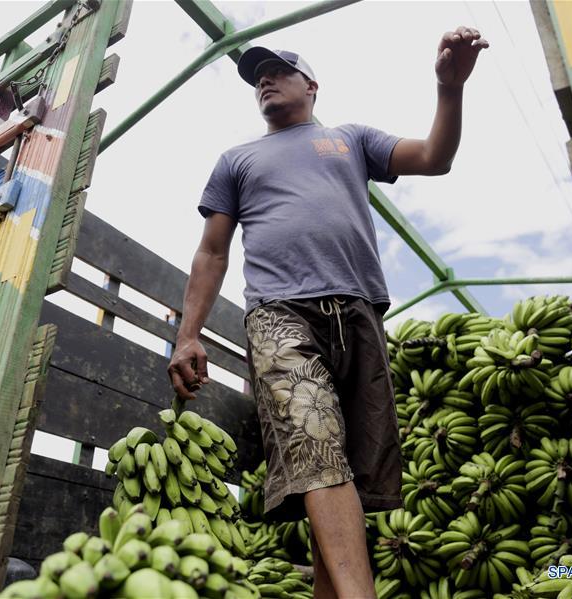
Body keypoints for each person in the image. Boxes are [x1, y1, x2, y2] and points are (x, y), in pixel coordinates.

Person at [168, 27, 489, 599]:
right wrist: (187, 334)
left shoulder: (350, 139)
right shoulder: (236, 160)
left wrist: (450, 87)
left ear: (311, 85)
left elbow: (434, 158)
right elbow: (212, 252)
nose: (264, 80)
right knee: (314, 449)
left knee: (346, 471)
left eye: (278, 71)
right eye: (257, 77)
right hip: (279, 315)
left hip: (358, 313)